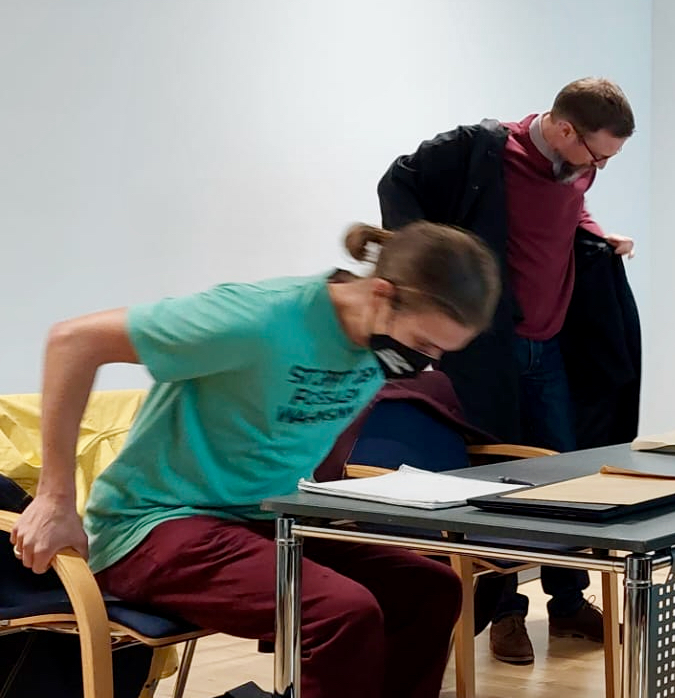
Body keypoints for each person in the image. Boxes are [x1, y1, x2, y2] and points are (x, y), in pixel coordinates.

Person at [8, 221, 501, 698]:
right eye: (423, 344)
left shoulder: (375, 344)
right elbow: (73, 340)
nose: (427, 361)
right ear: (380, 293)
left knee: (430, 590)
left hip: (262, 522)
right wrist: (55, 499)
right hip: (155, 526)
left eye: (441, 351)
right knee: (340, 613)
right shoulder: (258, 318)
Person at [377, 77, 634, 663]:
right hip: (491, 350)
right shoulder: (480, 150)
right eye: (596, 155)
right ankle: (505, 612)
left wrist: (596, 236)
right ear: (564, 129)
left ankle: (567, 602)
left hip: (551, 346)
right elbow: (397, 182)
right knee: (501, 481)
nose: (598, 167)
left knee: (567, 477)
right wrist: (428, 272)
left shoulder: (576, 168)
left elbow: (569, 210)